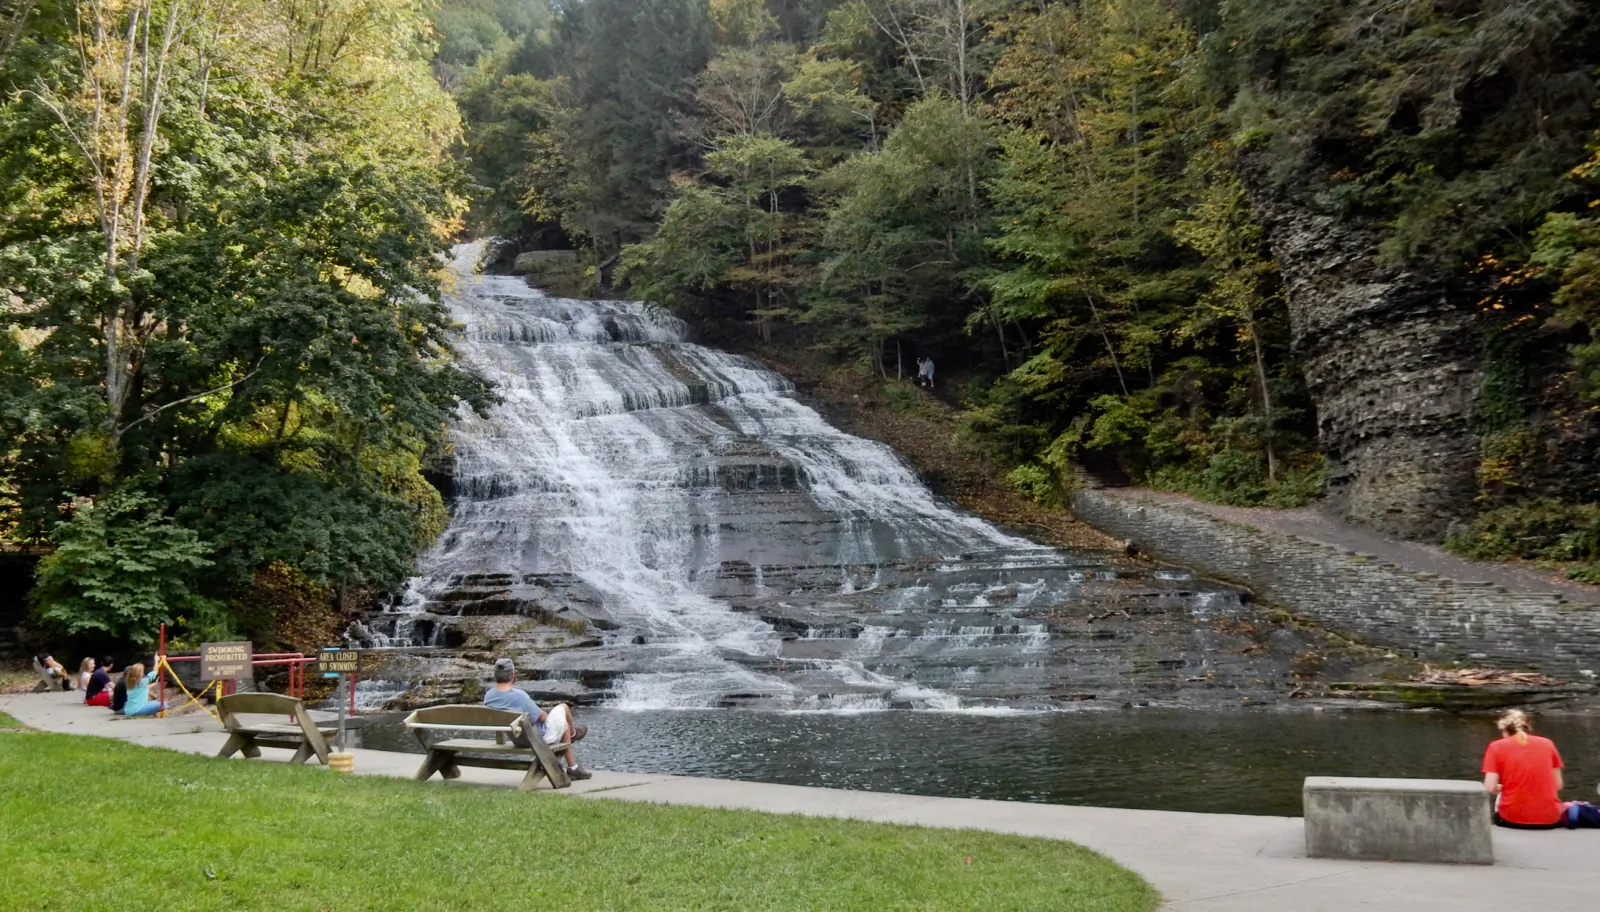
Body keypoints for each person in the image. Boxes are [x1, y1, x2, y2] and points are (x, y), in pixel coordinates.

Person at [483, 657, 591, 780]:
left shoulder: (489, 695)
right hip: (536, 739)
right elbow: (542, 717)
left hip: (517, 739)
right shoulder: (519, 696)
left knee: (560, 721)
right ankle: (573, 745)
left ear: (496, 676)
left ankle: (573, 760)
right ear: (512, 675)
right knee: (564, 708)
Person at [1482, 709, 1564, 829]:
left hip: (1511, 819)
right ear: (1527, 727)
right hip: (1550, 819)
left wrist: (1503, 787)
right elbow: (1558, 785)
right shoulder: (1547, 744)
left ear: (1504, 729)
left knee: (1501, 800)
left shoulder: (1496, 747)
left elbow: (1490, 787)